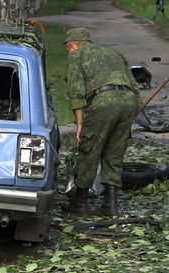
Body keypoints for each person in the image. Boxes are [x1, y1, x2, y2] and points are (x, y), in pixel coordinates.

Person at [61, 27, 141, 217]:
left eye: (68, 49)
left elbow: (76, 92)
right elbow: (134, 86)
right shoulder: (115, 53)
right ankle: (110, 206)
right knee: (114, 153)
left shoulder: (76, 56)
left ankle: (80, 204)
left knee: (89, 149)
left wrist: (80, 125)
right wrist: (131, 110)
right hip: (128, 100)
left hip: (103, 100)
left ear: (73, 45)